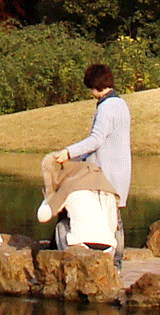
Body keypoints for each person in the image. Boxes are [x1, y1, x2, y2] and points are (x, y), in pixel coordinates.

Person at [48, 64, 131, 266]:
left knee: (110, 221)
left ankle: (112, 263)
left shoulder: (106, 108)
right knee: (114, 219)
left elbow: (96, 139)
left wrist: (69, 153)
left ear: (94, 87)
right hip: (119, 172)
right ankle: (115, 263)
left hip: (105, 174)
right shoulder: (121, 104)